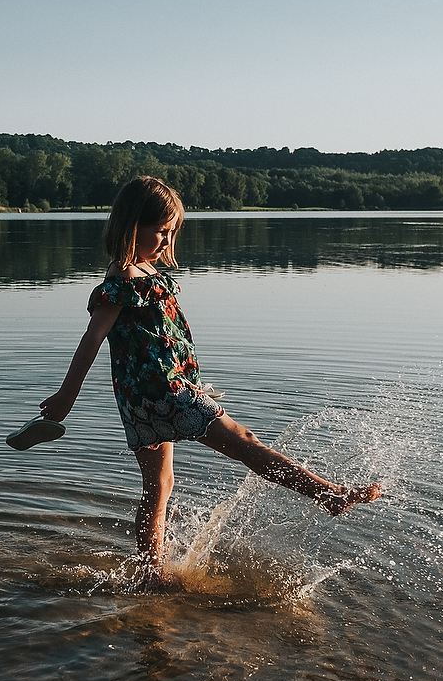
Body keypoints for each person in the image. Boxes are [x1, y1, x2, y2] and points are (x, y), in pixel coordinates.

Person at [40, 176, 380, 580]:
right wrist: (66, 396)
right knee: (245, 443)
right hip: (166, 393)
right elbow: (92, 338)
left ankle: (150, 575)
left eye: (172, 232)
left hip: (143, 397)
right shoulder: (123, 280)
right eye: (161, 231)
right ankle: (329, 495)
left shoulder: (145, 270)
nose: (167, 241)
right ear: (132, 227)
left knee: (159, 486)